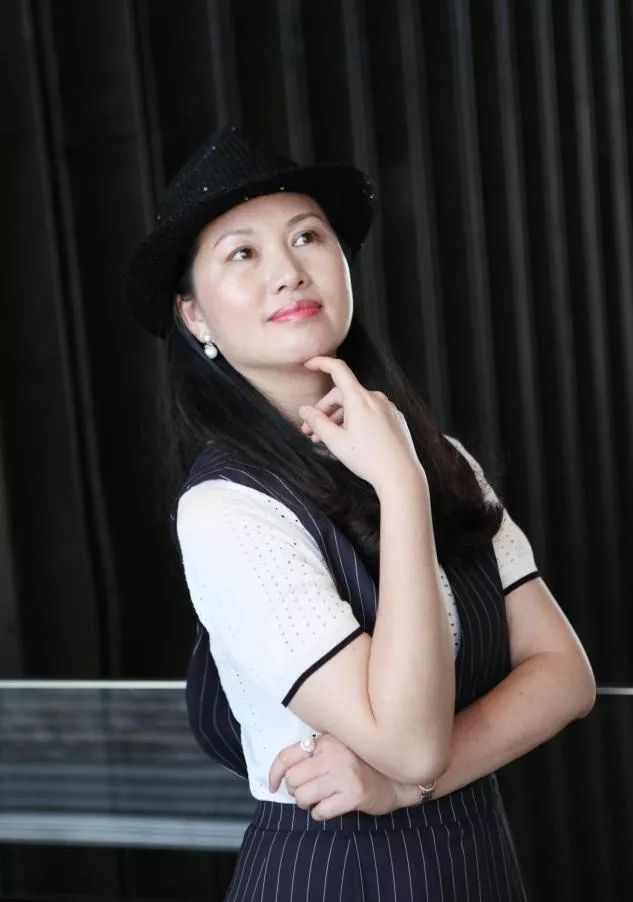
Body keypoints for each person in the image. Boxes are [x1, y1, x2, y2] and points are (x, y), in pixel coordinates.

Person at [125, 125, 595, 901]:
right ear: (195, 316)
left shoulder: (439, 455)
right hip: (333, 871)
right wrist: (401, 489)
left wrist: (406, 787)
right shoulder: (225, 510)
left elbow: (564, 676)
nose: (287, 271)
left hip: (477, 862)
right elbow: (409, 743)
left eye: (307, 236)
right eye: (242, 254)